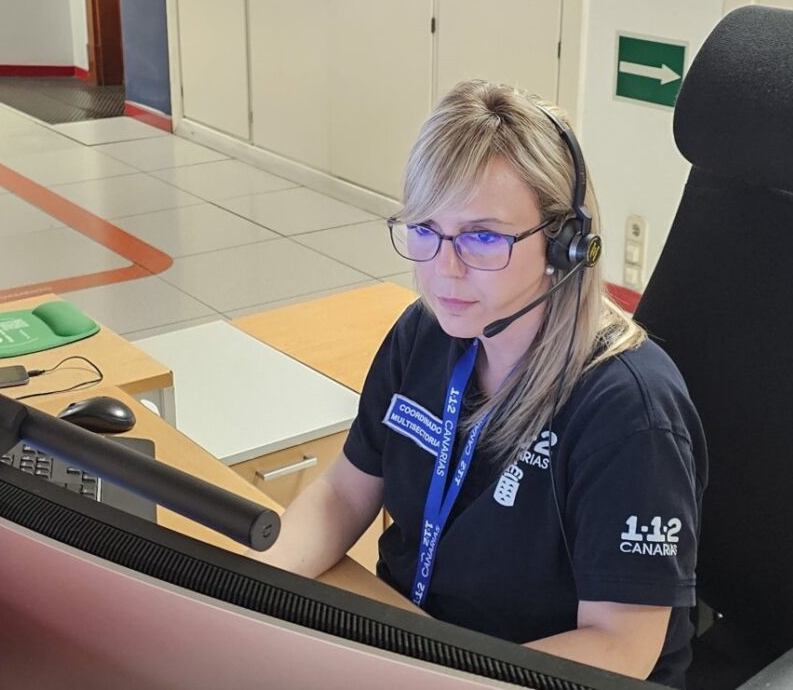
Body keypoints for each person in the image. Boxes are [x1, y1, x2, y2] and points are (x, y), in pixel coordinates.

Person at [252, 80, 707, 688]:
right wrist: (244, 591)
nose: (444, 271)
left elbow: (621, 645)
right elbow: (343, 493)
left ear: (565, 244)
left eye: (483, 236)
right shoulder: (427, 333)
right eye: (425, 230)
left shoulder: (629, 411)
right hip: (418, 647)